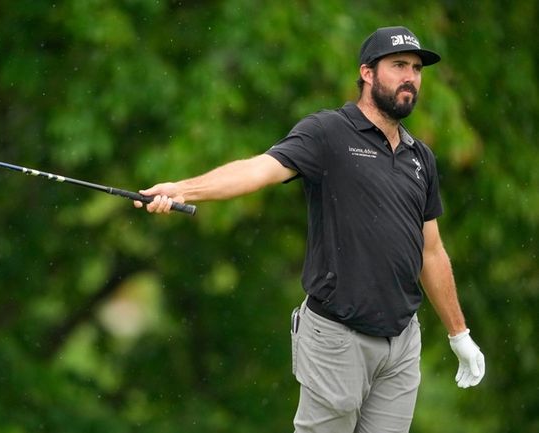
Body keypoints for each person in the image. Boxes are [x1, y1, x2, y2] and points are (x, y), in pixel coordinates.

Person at [134, 26, 485, 433]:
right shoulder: (328, 132)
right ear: (368, 73)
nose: (410, 76)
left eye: (417, 69)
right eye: (399, 66)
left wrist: (459, 334)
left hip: (401, 344)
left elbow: (431, 251)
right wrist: (183, 188)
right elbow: (258, 169)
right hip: (337, 338)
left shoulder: (419, 156)